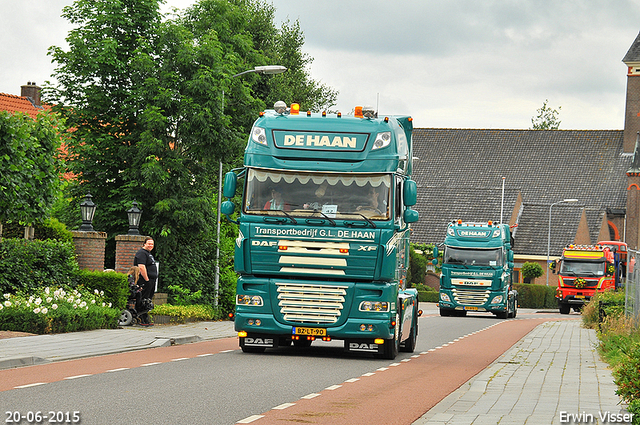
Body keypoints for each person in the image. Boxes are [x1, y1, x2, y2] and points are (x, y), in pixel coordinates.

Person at [133, 237, 157, 326]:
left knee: (148, 300)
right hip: (145, 280)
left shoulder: (148, 254)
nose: (150, 245)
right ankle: (140, 319)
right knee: (143, 299)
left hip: (151, 280)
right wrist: (147, 280)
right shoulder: (142, 253)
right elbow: (141, 267)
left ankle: (145, 319)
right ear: (144, 244)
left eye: (152, 244)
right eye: (149, 244)